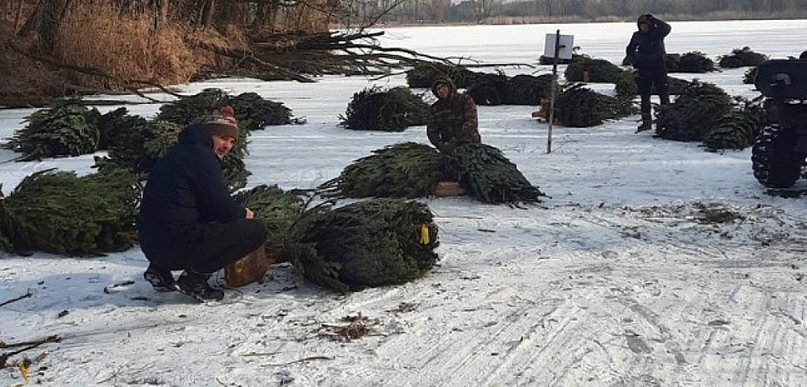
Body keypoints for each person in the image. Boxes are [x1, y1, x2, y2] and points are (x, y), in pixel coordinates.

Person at [137, 106, 268, 302]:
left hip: (150, 245)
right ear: (210, 135)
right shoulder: (202, 158)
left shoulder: (175, 154)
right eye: (223, 138)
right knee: (255, 231)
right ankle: (195, 279)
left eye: (232, 141)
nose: (227, 146)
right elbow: (222, 209)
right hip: (176, 245)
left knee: (185, 216)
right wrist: (243, 214)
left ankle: (159, 270)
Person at [625, 14, 672, 132]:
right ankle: (646, 122)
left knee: (663, 94)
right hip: (644, 68)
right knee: (645, 96)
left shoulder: (657, 32)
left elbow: (667, 28)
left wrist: (654, 20)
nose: (643, 28)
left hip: (659, 67)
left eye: (645, 25)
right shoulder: (637, 36)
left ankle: (667, 119)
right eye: (641, 26)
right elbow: (630, 49)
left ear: (649, 25)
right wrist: (634, 61)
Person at [426, 78, 481, 155]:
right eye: (438, 89)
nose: (441, 91)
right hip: (448, 148)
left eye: (443, 87)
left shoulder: (464, 100)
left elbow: (471, 123)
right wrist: (439, 144)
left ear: (449, 86)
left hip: (470, 145)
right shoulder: (435, 108)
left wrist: (454, 141)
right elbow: (432, 130)